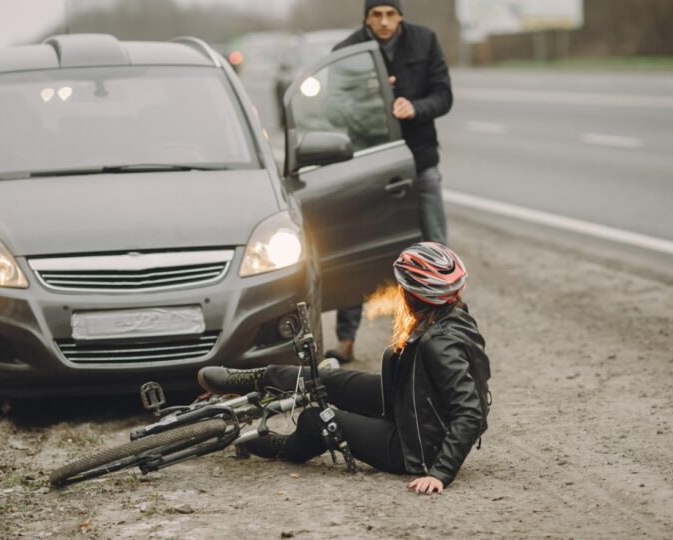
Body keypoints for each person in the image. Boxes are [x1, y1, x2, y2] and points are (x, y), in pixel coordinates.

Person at [198, 242, 491, 493]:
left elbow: (470, 411)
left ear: (416, 295)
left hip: (412, 447)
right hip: (410, 405)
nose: (399, 292)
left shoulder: (440, 343)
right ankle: (255, 378)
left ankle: (283, 447)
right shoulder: (449, 316)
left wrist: (439, 473)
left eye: (403, 287)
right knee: (327, 379)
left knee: (318, 418)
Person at [327, 0, 453, 363]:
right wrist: (373, 98)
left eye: (390, 14)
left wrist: (415, 107)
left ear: (400, 15)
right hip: (366, 166)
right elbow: (334, 108)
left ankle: (444, 330)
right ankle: (346, 340)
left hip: (419, 160)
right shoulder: (346, 53)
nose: (384, 22)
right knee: (355, 247)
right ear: (366, 17)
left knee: (435, 246)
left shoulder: (425, 41)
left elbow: (444, 95)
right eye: (376, 15)